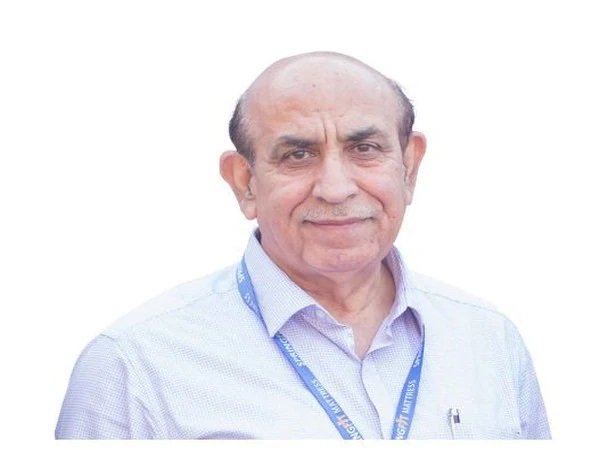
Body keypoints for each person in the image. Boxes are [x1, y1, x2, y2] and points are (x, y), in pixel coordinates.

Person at [55, 51, 550, 439]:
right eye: (297, 155)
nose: (335, 188)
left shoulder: (488, 341)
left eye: (364, 149)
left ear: (410, 167)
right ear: (245, 182)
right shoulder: (133, 366)